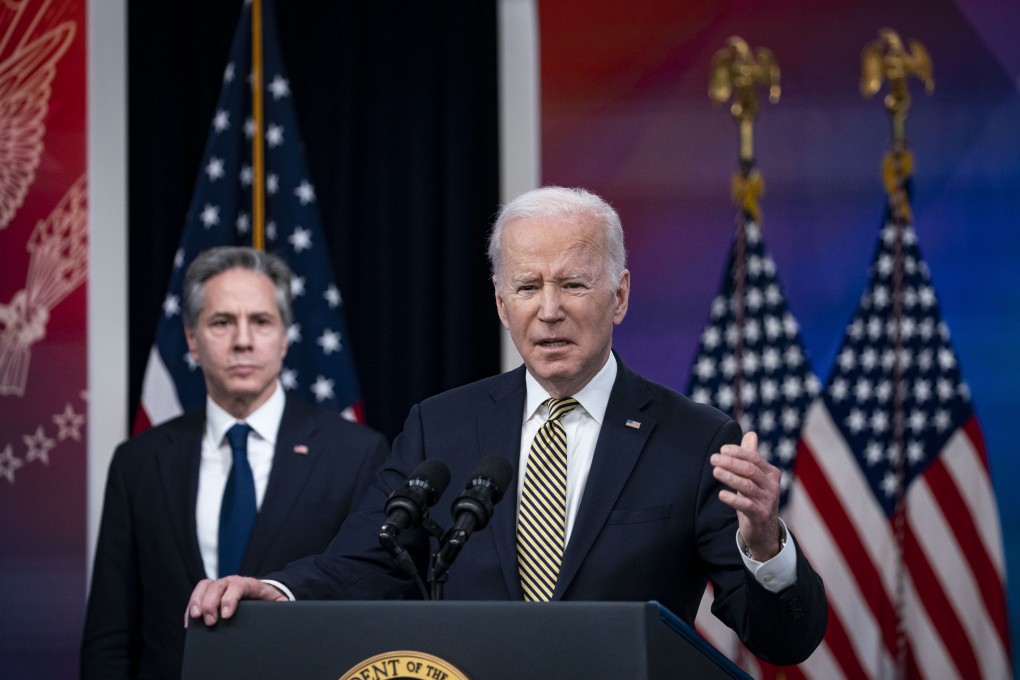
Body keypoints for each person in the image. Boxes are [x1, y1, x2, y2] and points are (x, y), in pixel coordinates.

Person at [188, 188, 827, 665]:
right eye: (527, 286)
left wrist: (767, 545)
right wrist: (276, 589)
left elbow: (783, 640)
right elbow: (366, 560)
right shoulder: (440, 427)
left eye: (574, 284)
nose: (549, 311)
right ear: (500, 302)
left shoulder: (695, 439)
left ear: (621, 295)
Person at [81, 247, 388, 680]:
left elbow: (371, 604)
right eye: (222, 322)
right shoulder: (139, 461)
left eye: (261, 322)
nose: (243, 340)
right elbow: (110, 635)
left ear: (285, 338)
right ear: (191, 338)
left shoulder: (355, 454)